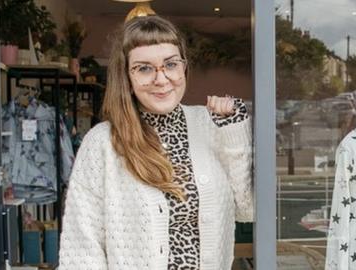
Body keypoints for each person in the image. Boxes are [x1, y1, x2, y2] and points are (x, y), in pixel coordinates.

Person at [59, 16, 253, 270]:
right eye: (144, 68)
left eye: (170, 64)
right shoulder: (102, 143)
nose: (161, 79)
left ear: (184, 68)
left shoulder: (213, 125)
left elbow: (247, 210)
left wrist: (234, 130)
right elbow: (81, 249)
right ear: (126, 78)